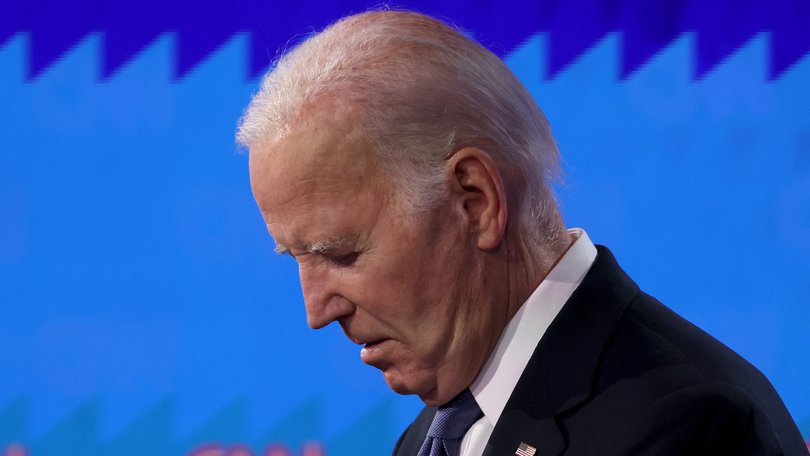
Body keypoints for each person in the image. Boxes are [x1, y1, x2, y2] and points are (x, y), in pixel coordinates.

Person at [237, 10, 808, 456]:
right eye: (294, 257)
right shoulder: (432, 437)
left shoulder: (686, 426)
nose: (315, 311)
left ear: (475, 201)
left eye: (340, 253)